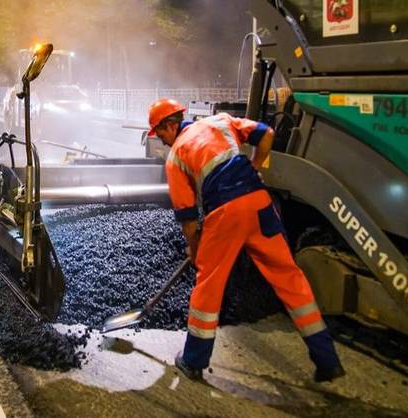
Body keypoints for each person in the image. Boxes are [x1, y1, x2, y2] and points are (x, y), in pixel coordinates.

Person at [148, 98, 345, 383]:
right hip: (260, 205)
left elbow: (188, 215)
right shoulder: (220, 121)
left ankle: (193, 360)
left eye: (160, 132)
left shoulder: (177, 154)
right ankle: (327, 359)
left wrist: (195, 247)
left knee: (209, 284)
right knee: (289, 277)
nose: (162, 140)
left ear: (170, 124)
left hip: (226, 214)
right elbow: (266, 134)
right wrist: (255, 165)